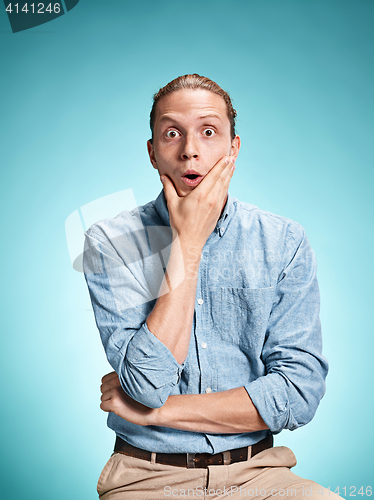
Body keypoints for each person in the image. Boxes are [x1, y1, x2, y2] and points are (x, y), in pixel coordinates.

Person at [83, 74, 339, 500]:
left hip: (260, 473)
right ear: (152, 153)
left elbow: (298, 392)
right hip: (147, 478)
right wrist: (188, 244)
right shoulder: (111, 242)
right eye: (171, 133)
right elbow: (146, 384)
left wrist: (154, 411)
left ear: (233, 148)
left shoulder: (284, 241)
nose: (190, 150)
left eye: (208, 131)